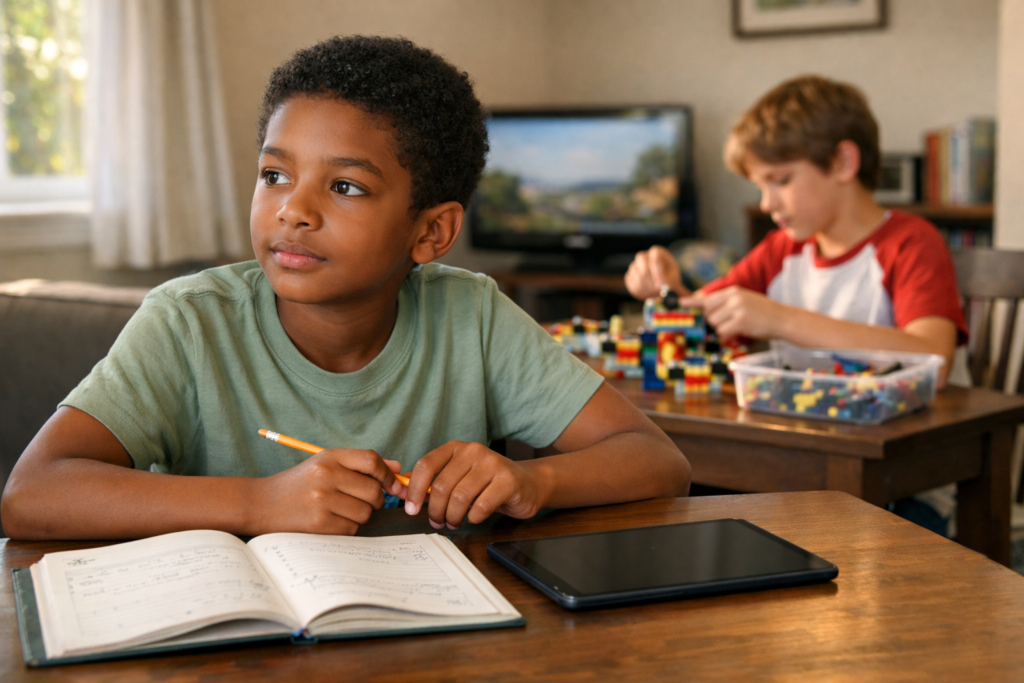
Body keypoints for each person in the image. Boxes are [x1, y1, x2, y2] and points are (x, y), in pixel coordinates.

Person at [1, 36, 690, 541]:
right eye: (274, 175)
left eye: (346, 186)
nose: (293, 210)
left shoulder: (471, 315)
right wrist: (257, 503)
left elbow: (657, 460)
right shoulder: (189, 321)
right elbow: (31, 493)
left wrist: (532, 481)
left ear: (431, 233)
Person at [625, 75, 966, 386]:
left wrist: (781, 321)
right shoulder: (780, 249)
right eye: (760, 186)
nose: (765, 204)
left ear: (842, 163)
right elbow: (701, 324)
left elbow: (933, 362)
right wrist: (668, 290)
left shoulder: (911, 243)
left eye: (781, 180)